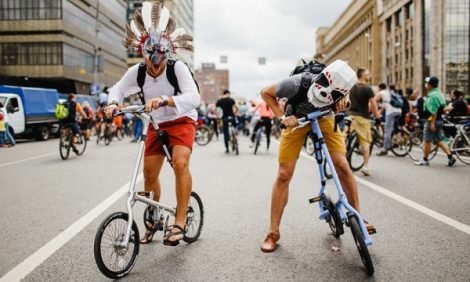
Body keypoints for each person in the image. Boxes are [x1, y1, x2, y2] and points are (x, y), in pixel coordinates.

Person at [105, 2, 199, 246]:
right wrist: (112, 103)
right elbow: (118, 89)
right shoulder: (137, 71)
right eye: (151, 59)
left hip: (182, 120)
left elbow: (194, 97)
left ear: (167, 54)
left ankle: (179, 222)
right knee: (148, 175)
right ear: (144, 55)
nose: (156, 65)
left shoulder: (177, 68)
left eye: (161, 59)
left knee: (180, 164)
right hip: (155, 124)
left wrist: (166, 99)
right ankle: (154, 219)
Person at [259, 60, 376, 253]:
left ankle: (358, 216)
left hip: (325, 117)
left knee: (342, 165)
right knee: (284, 175)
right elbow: (265, 92)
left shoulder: (341, 87)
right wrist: (283, 117)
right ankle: (273, 232)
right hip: (295, 119)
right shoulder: (295, 83)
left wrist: (343, 100)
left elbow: (343, 95)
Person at [415, 77, 456, 166]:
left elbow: (434, 110)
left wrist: (432, 123)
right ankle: (450, 157)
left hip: (431, 121)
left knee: (427, 141)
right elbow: (443, 108)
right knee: (438, 140)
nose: (426, 85)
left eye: (427, 84)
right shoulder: (439, 94)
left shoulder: (433, 95)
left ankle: (425, 160)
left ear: (430, 85)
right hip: (439, 120)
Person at [348, 68, 381, 175]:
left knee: (346, 137)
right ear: (362, 75)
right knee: (365, 142)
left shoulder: (352, 87)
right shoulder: (367, 88)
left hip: (351, 116)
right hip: (362, 118)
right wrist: (377, 116)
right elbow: (373, 104)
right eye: (367, 73)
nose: (369, 75)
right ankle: (366, 167)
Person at [375, 83, 401, 156]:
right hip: (398, 111)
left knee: (387, 131)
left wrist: (374, 112)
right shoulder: (388, 93)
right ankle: (393, 141)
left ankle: (385, 149)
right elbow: (384, 107)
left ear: (380, 88)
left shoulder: (381, 92)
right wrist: (378, 112)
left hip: (391, 112)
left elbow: (373, 101)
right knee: (392, 129)